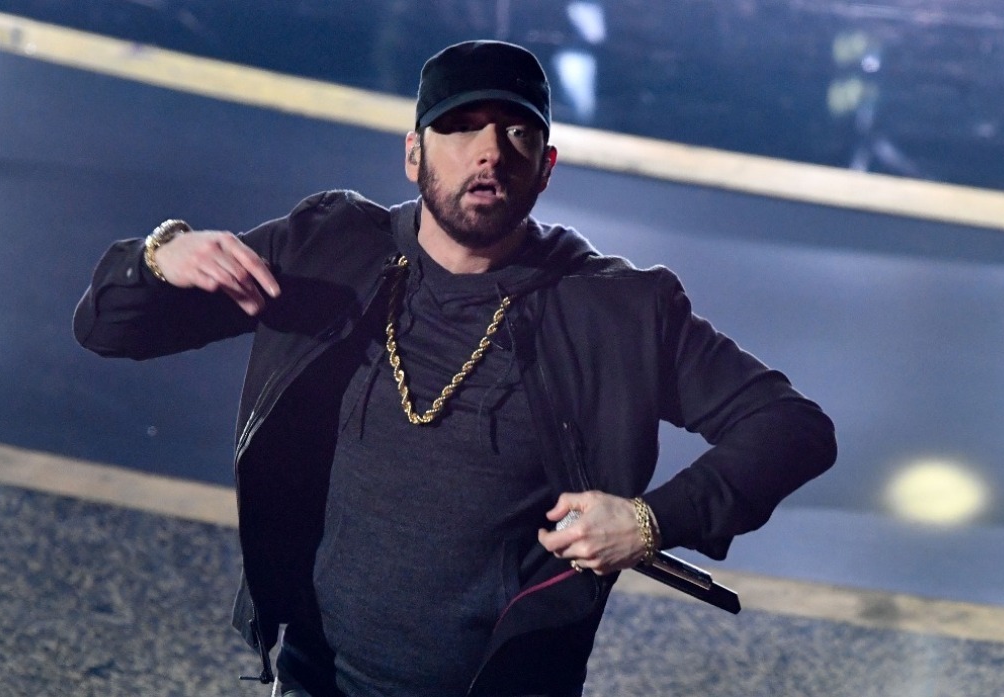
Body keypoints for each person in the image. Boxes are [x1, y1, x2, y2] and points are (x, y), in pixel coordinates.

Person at [74, 39, 835, 697]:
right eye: (460, 126)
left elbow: (792, 428)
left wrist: (650, 520)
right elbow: (107, 327)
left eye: (516, 131)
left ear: (546, 167)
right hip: (312, 678)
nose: (489, 151)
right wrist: (160, 255)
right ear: (413, 153)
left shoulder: (616, 311)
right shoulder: (328, 249)